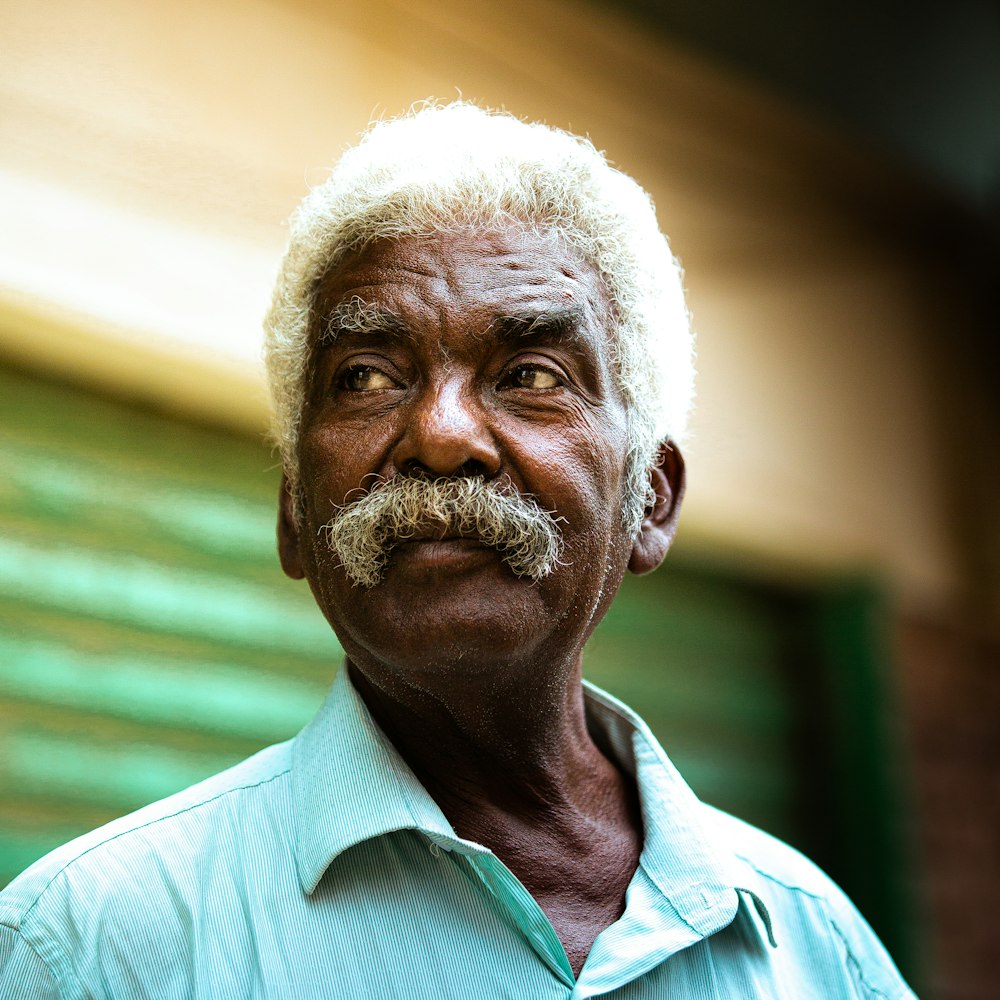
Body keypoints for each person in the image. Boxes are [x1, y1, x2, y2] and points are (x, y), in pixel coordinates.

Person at [0, 102, 915, 999]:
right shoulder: (88, 950)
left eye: (531, 377)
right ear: (293, 512)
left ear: (651, 502)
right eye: (365, 376)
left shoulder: (813, 946)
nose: (439, 435)